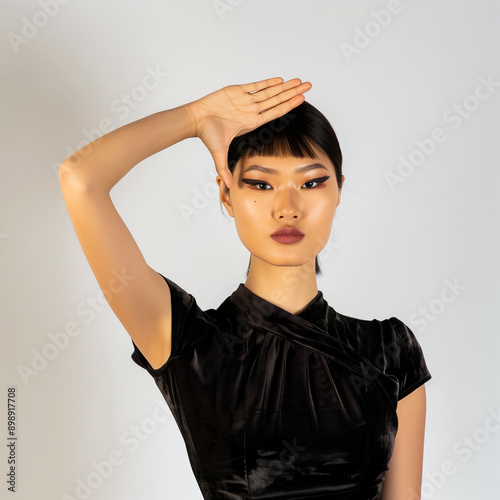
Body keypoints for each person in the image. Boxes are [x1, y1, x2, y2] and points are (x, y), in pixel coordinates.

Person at [59, 77, 431, 499]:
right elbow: (80, 178)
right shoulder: (185, 342)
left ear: (339, 190)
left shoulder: (390, 350)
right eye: (260, 183)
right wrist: (195, 117)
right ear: (226, 193)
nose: (287, 208)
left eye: (311, 183)